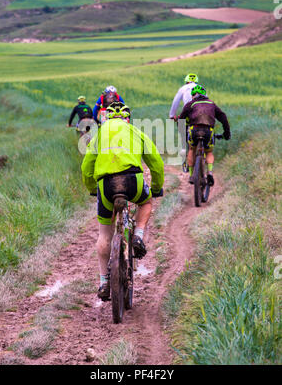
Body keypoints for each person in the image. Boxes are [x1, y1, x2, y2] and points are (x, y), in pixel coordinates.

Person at [81, 101, 164, 301]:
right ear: (128, 118)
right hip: (132, 180)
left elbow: (86, 168)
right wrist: (155, 188)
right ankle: (138, 236)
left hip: (106, 185)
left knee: (104, 234)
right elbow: (156, 163)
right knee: (145, 203)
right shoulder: (135, 131)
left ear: (106, 118)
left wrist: (93, 189)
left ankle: (103, 282)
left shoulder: (99, 134)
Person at [178, 85, 231, 186]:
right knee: (209, 152)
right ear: (205, 95)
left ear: (193, 96)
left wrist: (183, 133)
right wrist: (226, 133)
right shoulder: (212, 104)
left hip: (194, 130)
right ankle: (210, 173)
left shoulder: (190, 104)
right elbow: (223, 117)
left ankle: (191, 175)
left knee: (192, 149)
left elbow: (181, 119)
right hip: (208, 131)